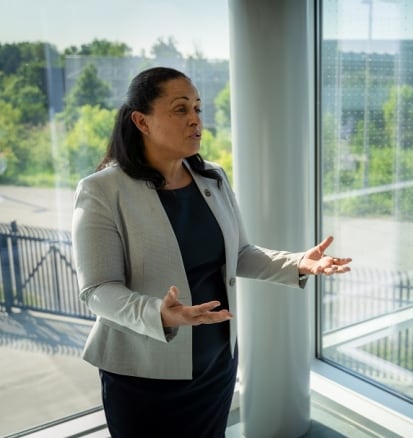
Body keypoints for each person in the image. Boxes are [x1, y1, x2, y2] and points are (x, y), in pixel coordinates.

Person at [71, 66, 352, 438]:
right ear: (141, 121)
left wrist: (298, 262)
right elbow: (98, 289)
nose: (195, 120)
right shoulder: (102, 191)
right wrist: (159, 313)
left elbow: (240, 253)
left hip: (216, 364)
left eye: (198, 109)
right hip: (144, 377)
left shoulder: (212, 178)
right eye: (180, 109)